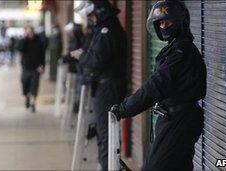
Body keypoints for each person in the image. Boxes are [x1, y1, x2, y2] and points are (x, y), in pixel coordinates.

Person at [110, 1, 207, 170]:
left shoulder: (181, 52)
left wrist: (124, 109)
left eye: (167, 21)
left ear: (180, 21)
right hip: (175, 119)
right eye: (160, 22)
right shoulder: (176, 49)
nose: (163, 26)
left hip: (180, 120)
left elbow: (155, 86)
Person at [71, 1, 127, 170]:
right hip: (107, 86)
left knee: (106, 137)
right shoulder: (107, 29)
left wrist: (82, 56)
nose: (91, 19)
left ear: (100, 13)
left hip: (107, 88)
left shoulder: (107, 31)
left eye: (92, 15)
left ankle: (108, 167)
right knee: (107, 135)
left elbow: (96, 60)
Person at [19, 26, 45, 112]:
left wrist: (42, 66)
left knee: (34, 86)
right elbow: (19, 48)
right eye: (28, 32)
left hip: (36, 68)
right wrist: (25, 38)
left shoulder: (38, 41)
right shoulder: (24, 41)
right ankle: (27, 97)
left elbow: (42, 55)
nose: (30, 34)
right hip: (26, 67)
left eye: (31, 32)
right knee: (25, 83)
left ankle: (33, 103)